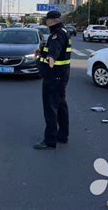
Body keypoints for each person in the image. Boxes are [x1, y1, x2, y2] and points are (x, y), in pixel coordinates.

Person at [34, 10, 71, 150]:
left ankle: (50, 140)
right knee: (61, 106)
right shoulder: (64, 31)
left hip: (53, 77)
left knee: (50, 108)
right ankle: (63, 135)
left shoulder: (57, 34)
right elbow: (59, 51)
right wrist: (42, 52)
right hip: (61, 75)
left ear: (52, 21)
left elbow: (53, 55)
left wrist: (47, 59)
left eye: (47, 20)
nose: (46, 22)